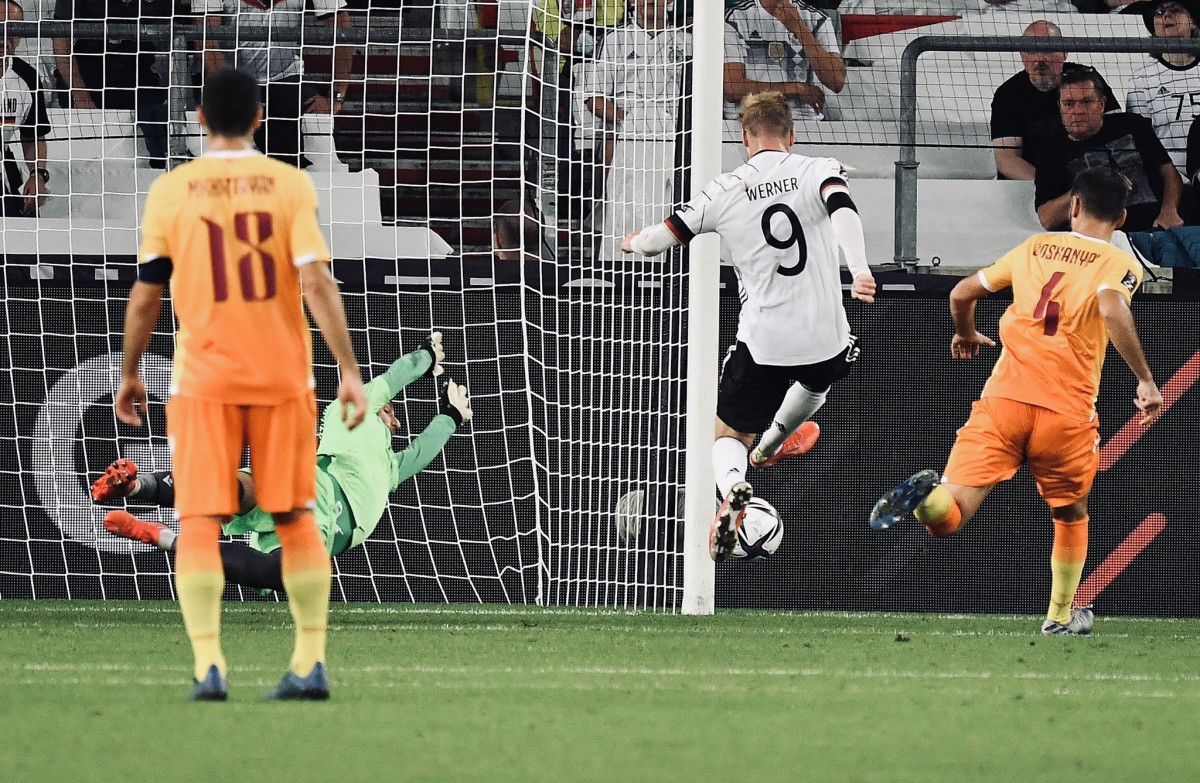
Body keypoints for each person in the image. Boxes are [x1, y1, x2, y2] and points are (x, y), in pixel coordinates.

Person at [116, 67, 366, 701]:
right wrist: (348, 368)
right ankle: (309, 661)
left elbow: (146, 294)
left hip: (204, 380)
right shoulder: (288, 184)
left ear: (200, 117)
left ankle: (209, 667)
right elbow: (316, 283)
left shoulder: (172, 190)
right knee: (295, 518)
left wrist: (130, 370)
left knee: (200, 520)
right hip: (282, 377)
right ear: (259, 117)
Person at [870, 167, 1163, 636]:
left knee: (947, 519)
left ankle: (925, 497)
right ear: (1122, 218)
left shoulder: (1034, 248)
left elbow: (961, 292)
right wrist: (1145, 380)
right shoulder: (1119, 263)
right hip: (1065, 415)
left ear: (1074, 206)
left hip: (1003, 403)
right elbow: (1111, 307)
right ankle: (1059, 616)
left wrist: (965, 333)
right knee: (1070, 514)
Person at [620, 91, 876, 562]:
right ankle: (769, 447)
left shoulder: (723, 190)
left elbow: (659, 241)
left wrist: (634, 243)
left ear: (744, 138)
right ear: (791, 135)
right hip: (827, 337)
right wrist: (859, 269)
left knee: (727, 435)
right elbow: (843, 209)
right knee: (817, 381)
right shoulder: (816, 168)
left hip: (765, 341)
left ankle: (736, 486)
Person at [96, 336, 473, 593]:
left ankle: (147, 505)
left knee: (263, 543)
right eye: (391, 413)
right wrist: (427, 357)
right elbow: (392, 379)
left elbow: (421, 451)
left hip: (314, 513)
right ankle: (149, 501)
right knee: (243, 502)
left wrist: (451, 416)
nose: (398, 423)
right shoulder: (355, 411)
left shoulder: (389, 467)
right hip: (321, 495)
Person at [583, 0, 690, 262]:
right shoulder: (614, 40)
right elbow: (594, 99)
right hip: (627, 138)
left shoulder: (689, 41)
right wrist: (632, 121)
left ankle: (673, 267)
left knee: (674, 209)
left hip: (675, 140)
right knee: (623, 208)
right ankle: (618, 261)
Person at [193, 0, 352, 169]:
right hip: (229, 79)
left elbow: (341, 26)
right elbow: (206, 41)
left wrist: (336, 95)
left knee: (318, 126)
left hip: (285, 76)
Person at [1035, 68, 1185, 230]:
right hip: (1101, 239)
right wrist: (1086, 186)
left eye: (1087, 102)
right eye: (1069, 104)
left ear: (1102, 104)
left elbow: (1168, 171)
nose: (1078, 111)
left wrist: (1169, 211)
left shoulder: (1132, 124)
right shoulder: (1051, 155)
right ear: (1060, 107)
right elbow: (1047, 219)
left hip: (1156, 227)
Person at [990, 20, 1120, 181]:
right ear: (1022, 56)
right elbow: (1007, 160)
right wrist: (1049, 186)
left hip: (1090, 177)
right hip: (1032, 182)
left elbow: (1118, 132)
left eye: (1048, 49)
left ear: (1064, 52)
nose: (1040, 59)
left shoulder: (1086, 79)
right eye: (1031, 51)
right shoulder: (1008, 94)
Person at [52, 0, 173, 168]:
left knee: (157, 118)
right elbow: (61, 43)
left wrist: (175, 93)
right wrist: (81, 95)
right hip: (88, 78)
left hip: (138, 77)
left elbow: (177, 37)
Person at [723, 0, 845, 124]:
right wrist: (797, 89)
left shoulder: (817, 18)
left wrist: (800, 28)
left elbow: (836, 82)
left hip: (803, 121)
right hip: (749, 120)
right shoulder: (735, 17)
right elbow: (733, 88)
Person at [1125, 0, 1200, 177]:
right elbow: (1140, 139)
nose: (1166, 15)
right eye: (1159, 12)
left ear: (1193, 22)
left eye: (1176, 9)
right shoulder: (1141, 78)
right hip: (1169, 177)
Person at [0, 0, 49, 217]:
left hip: (4, 163)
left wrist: (37, 175)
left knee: (26, 219)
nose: (4, 36)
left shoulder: (27, 77)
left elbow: (33, 136)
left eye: (12, 28)